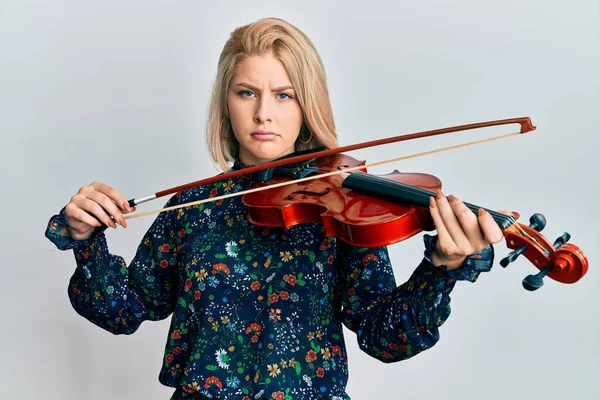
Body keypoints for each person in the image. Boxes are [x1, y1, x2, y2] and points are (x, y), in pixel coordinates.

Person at [45, 17, 502, 400]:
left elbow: (384, 338)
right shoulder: (191, 207)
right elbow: (122, 310)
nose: (264, 113)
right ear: (226, 103)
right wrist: (85, 241)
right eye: (247, 92)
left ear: (307, 104)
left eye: (284, 94)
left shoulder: (339, 206)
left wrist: (440, 268)